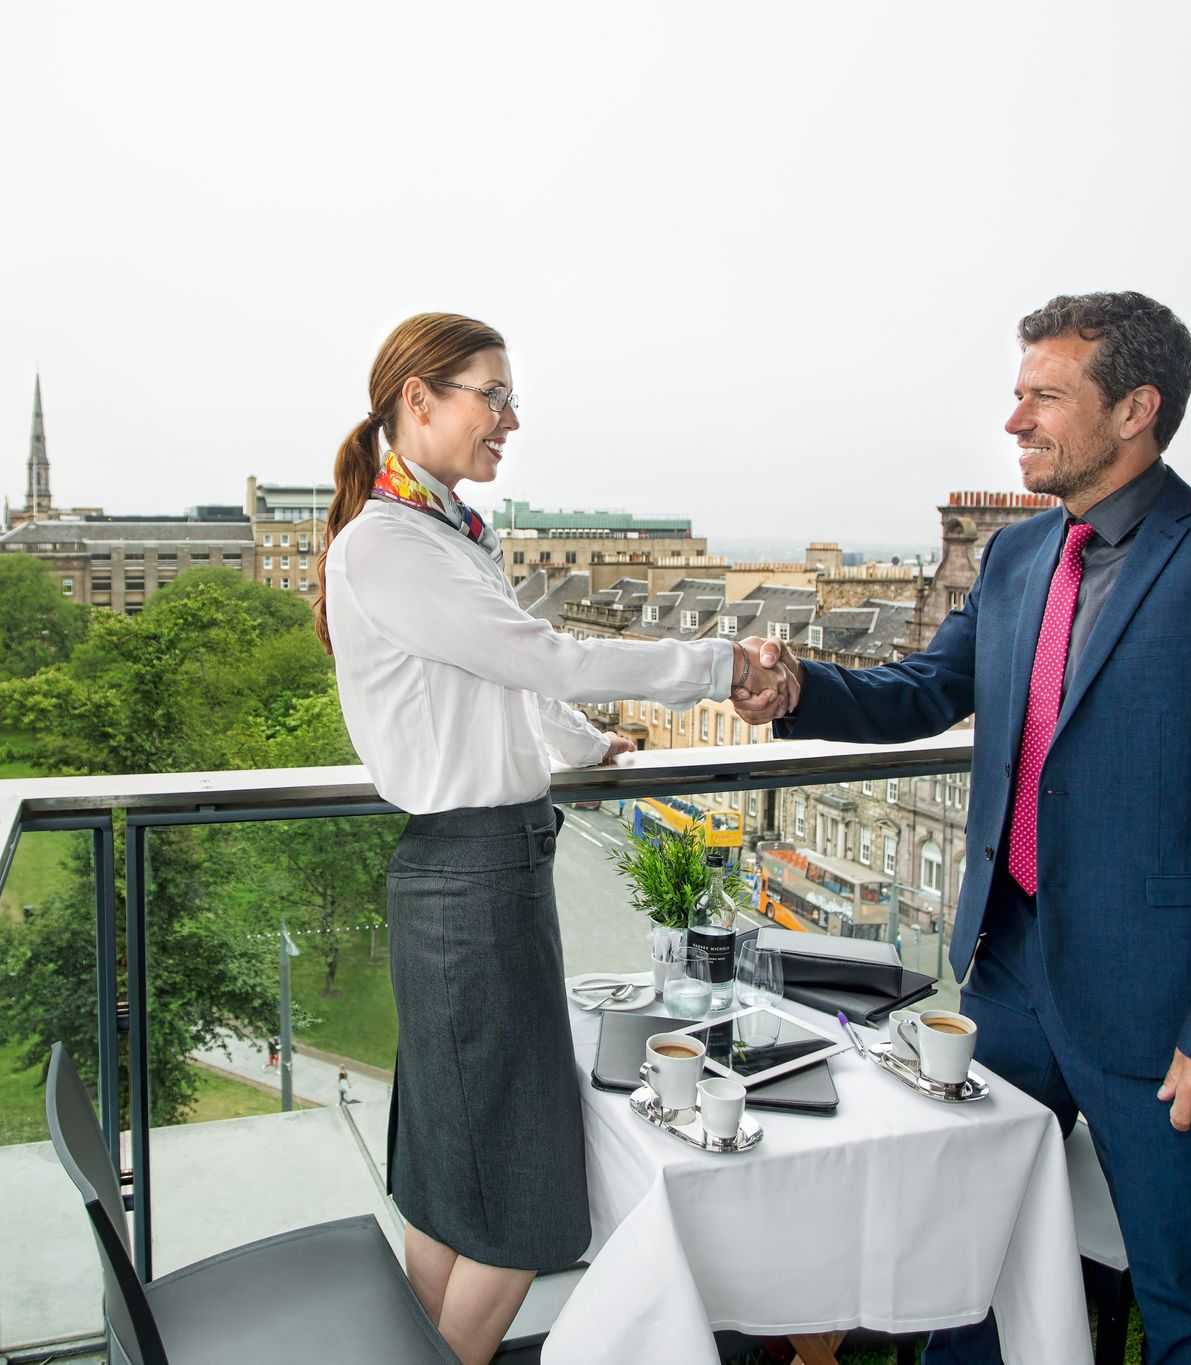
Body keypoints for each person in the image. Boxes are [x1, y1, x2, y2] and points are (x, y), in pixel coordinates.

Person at [735, 291, 1191, 1362]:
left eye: (1042, 396)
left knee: (1182, 1294)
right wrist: (797, 690)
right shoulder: (1018, 558)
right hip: (1006, 974)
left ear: (1133, 411)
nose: (1014, 421)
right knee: (960, 1261)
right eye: (1016, 395)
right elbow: (922, 691)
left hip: (1163, 1011)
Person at [320, 313, 788, 1365]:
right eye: (491, 395)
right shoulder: (390, 545)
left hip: (482, 874)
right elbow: (545, 658)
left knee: (456, 1193)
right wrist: (718, 665)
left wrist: (586, 746)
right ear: (418, 401)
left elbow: (510, 691)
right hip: (469, 882)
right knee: (522, 1206)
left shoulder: (435, 534)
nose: (510, 420)